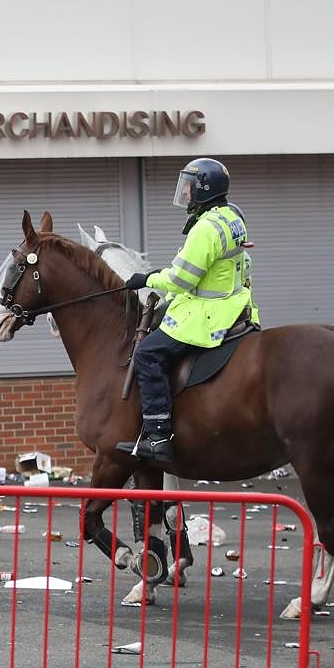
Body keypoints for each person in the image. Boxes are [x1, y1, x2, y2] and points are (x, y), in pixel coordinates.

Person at [116, 158, 258, 464]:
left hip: (207, 313)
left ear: (204, 189)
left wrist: (146, 279)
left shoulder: (205, 229)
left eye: (189, 186)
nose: (185, 192)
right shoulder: (232, 216)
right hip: (236, 304)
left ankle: (158, 436)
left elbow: (181, 280)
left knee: (147, 354)